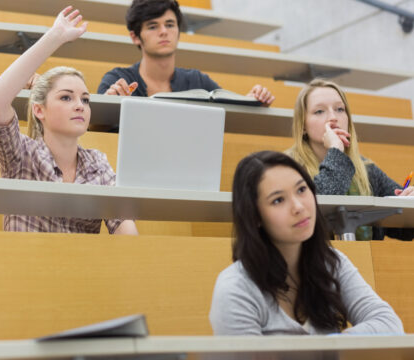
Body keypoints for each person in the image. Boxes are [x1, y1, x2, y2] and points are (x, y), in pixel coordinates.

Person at [209, 151, 403, 335]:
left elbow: (388, 323)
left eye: (302, 189)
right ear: (255, 216)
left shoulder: (331, 262)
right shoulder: (235, 288)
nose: (299, 207)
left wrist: (330, 346)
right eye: (278, 200)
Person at [0, 7, 138, 235]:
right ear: (39, 110)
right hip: (25, 267)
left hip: (82, 268)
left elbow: (126, 233)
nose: (79, 105)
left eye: (85, 100)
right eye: (66, 97)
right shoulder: (22, 154)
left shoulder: (97, 163)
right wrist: (55, 37)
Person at [286, 78, 414, 240]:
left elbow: (404, 229)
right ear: (303, 125)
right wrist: (335, 151)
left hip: (365, 260)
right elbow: (315, 211)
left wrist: (409, 198)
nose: (333, 117)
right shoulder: (287, 168)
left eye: (340, 109)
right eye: (319, 111)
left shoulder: (366, 169)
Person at [97, 0, 274, 105]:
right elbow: (94, 127)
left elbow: (230, 108)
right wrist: (109, 102)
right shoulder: (117, 79)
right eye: (153, 26)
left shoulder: (197, 80)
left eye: (170, 24)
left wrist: (253, 100)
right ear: (135, 37)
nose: (164, 31)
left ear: (178, 31)